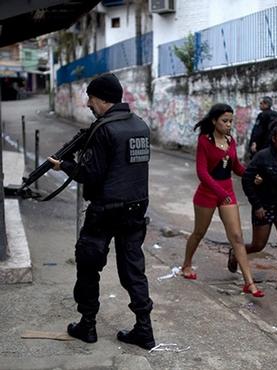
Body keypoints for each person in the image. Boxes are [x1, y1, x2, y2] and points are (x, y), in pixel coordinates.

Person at [48, 73, 155, 349]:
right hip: (135, 208)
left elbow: (90, 174)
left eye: (91, 98)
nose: (88, 104)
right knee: (134, 269)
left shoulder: (103, 129)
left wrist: (65, 166)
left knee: (88, 265)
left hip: (106, 210)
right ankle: (144, 329)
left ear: (103, 99)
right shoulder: (140, 126)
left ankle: (88, 325)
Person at [181, 103, 264, 298]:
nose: (228, 125)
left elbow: (235, 167)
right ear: (214, 121)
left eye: (230, 121)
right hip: (208, 193)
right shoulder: (204, 141)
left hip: (227, 193)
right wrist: (219, 192)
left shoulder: (231, 141)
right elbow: (202, 172)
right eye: (224, 121)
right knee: (199, 232)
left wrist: (251, 175)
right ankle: (186, 264)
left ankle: (249, 283)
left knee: (236, 237)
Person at [228, 122, 277, 295]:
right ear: (274, 139)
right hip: (264, 206)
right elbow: (246, 180)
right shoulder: (262, 156)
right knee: (259, 245)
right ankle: (235, 253)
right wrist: (257, 205)